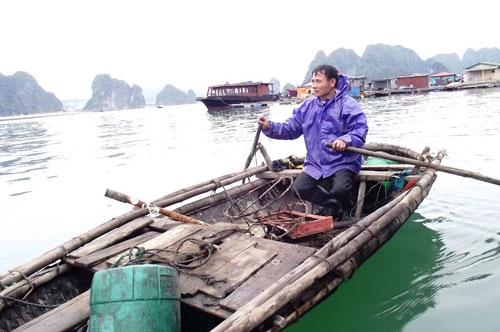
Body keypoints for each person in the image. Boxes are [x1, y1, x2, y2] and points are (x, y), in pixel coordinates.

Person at [257, 64, 368, 220]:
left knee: (341, 189)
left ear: (332, 82)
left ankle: (346, 209)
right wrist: (270, 126)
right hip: (316, 161)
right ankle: (332, 205)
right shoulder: (307, 106)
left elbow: (360, 130)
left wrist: (345, 139)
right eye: (313, 81)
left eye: (318, 81)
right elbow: (291, 129)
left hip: (342, 160)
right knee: (299, 188)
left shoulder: (348, 105)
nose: (314, 86)